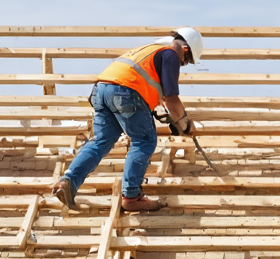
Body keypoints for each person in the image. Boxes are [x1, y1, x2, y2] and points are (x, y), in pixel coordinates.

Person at [53, 28, 204, 212]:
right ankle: (131, 196)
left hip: (102, 90)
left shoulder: (150, 49)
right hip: (126, 92)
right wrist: (185, 123)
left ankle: (67, 181)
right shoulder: (171, 54)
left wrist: (168, 115)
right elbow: (171, 98)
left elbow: (153, 90)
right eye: (186, 61)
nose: (183, 64)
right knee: (144, 141)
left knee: (100, 141)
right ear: (186, 49)